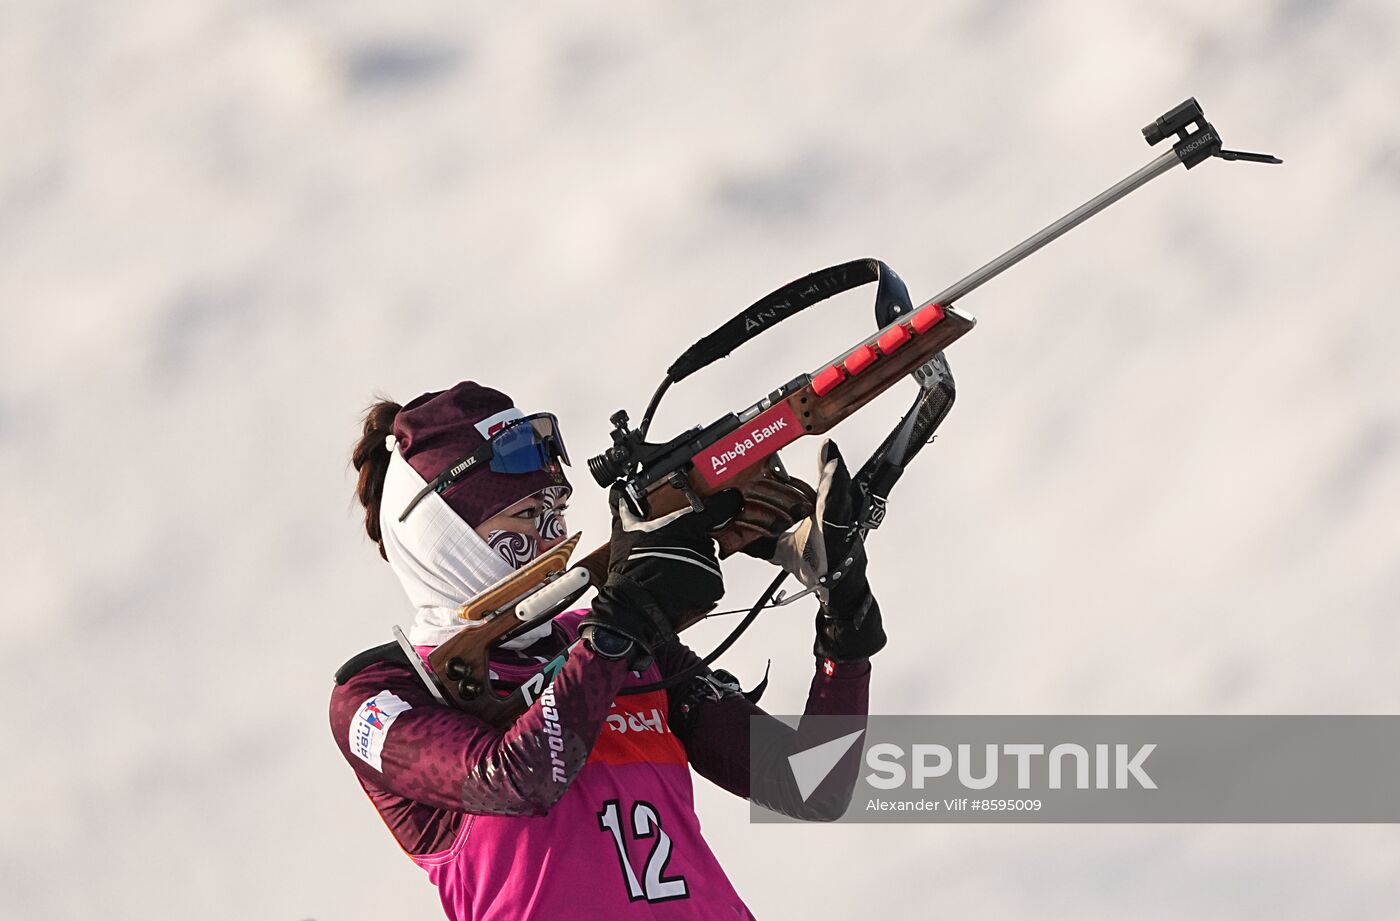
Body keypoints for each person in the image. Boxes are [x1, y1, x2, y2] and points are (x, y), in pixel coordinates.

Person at [329, 381, 886, 920]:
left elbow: (814, 782)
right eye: (527, 517)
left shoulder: (610, 639)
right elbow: (520, 778)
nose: (552, 538)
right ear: (442, 539)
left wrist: (845, 621)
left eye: (555, 513)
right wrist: (619, 626)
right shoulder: (380, 694)